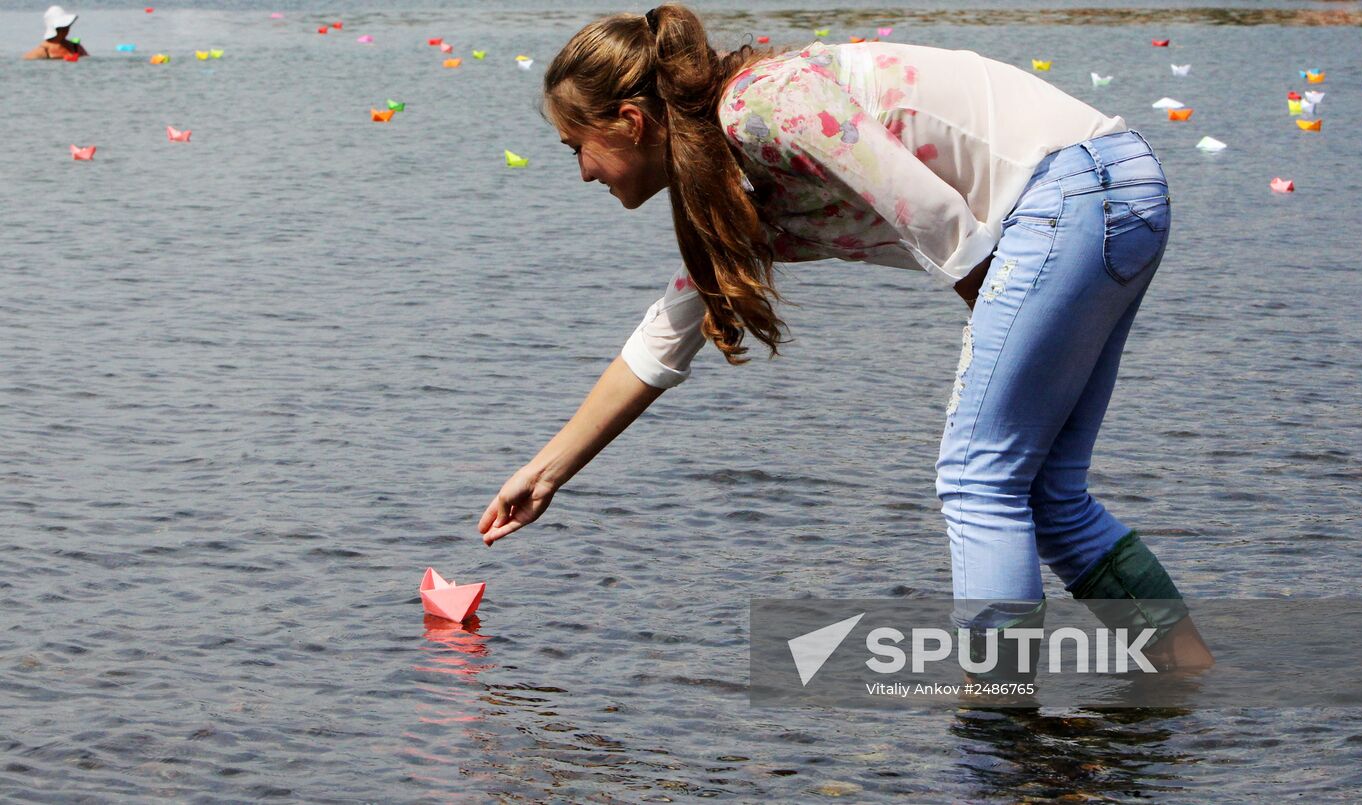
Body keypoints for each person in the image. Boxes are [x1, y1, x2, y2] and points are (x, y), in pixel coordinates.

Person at [477, 4, 1213, 675]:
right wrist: (546, 471)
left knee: (977, 480)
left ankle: (1003, 742)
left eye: (577, 145)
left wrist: (991, 324)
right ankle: (1189, 683)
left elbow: (929, 208)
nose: (580, 171)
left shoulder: (760, 105)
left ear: (631, 122)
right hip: (1114, 192)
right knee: (1047, 494)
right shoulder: (738, 187)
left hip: (1075, 193)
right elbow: (664, 336)